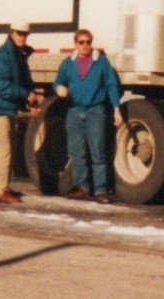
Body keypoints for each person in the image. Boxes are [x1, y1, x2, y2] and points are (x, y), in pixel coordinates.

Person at [52, 28, 122, 203]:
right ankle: (82, 188)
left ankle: (100, 191)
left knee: (97, 152)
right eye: (81, 42)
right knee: (76, 152)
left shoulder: (101, 62)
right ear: (75, 44)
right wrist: (58, 88)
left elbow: (112, 85)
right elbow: (58, 81)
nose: (85, 45)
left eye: (88, 42)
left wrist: (116, 109)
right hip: (74, 111)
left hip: (95, 111)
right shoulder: (68, 63)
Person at [0, 21, 37, 204]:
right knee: (2, 151)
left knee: (8, 150)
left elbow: (24, 81)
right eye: (19, 33)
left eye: (25, 34)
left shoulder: (17, 55)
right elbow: (1, 86)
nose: (22, 37)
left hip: (6, 108)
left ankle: (4, 186)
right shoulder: (1, 57)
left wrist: (30, 100)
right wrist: (26, 95)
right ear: (11, 33)